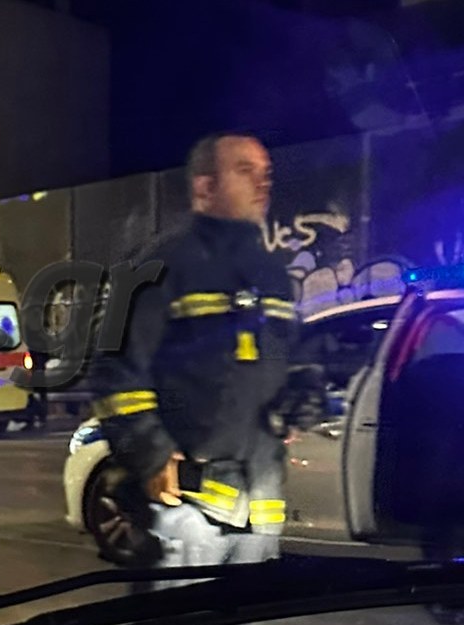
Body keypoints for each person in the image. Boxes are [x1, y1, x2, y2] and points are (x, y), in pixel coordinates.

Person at [86, 132, 325, 578]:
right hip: (185, 510)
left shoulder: (273, 275)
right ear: (205, 187)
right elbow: (113, 372)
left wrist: (303, 393)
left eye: (266, 173)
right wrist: (151, 455)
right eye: (245, 171)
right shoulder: (156, 263)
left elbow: (292, 358)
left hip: (261, 508)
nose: (262, 183)